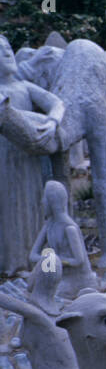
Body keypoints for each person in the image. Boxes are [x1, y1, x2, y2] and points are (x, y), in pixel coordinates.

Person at [0, 35, 63, 275]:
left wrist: (53, 121)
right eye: (1, 49)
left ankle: (31, 259)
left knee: (31, 206)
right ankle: (11, 264)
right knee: (7, 208)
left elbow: (56, 102)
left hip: (27, 158)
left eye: (8, 47)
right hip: (3, 160)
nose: (7, 52)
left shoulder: (24, 87)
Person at [28, 180, 97, 300]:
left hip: (76, 280)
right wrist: (49, 260)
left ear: (52, 202)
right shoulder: (49, 226)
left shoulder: (69, 228)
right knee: (32, 285)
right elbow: (33, 255)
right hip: (58, 273)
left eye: (45, 198)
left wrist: (55, 260)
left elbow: (78, 260)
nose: (42, 202)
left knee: (48, 295)